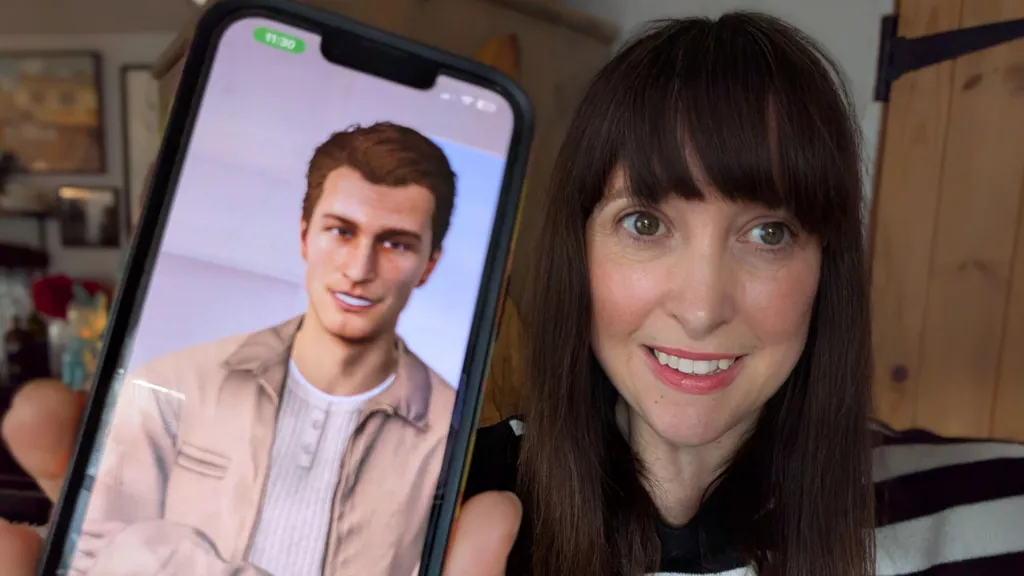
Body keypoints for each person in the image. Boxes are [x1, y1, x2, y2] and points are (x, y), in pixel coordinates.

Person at [3, 11, 1024, 576]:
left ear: (826, 266)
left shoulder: (992, 516)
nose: (704, 304)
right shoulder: (435, 510)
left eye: (768, 231)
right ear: (570, 252)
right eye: (645, 222)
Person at [54, 121, 460, 576]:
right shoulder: (172, 385)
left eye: (394, 243)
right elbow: (89, 558)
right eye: (342, 232)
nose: (359, 268)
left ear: (428, 266)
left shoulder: (451, 431)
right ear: (305, 237)